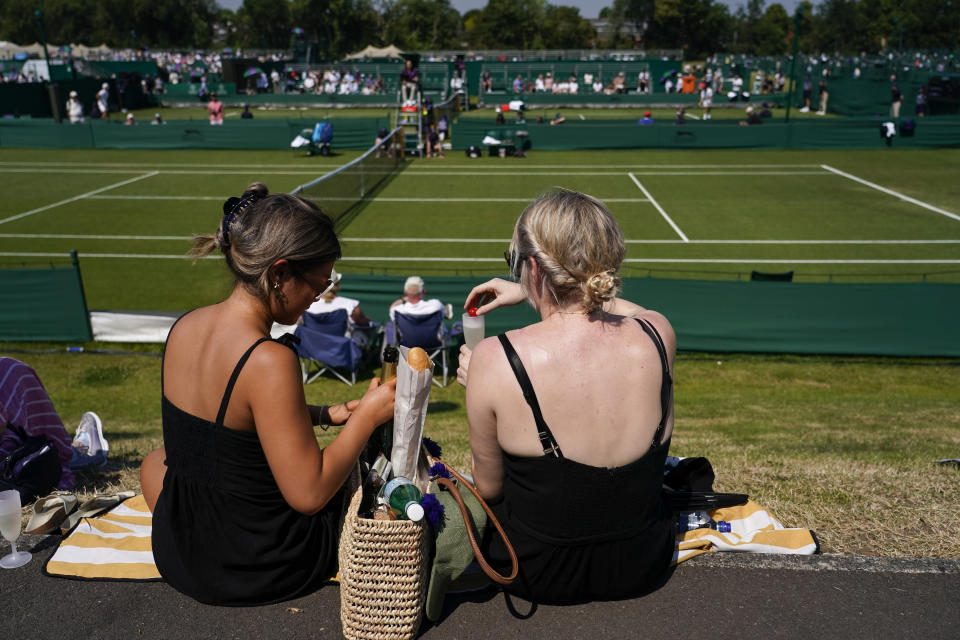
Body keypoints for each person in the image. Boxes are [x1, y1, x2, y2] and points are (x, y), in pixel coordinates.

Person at [139, 182, 396, 606]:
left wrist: (321, 413)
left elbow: (225, 423)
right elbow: (309, 494)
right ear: (278, 274)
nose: (317, 297)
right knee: (353, 487)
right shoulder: (269, 360)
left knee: (156, 462)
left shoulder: (184, 327)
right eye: (318, 283)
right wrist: (368, 415)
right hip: (261, 568)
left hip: (180, 555)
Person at [456, 190, 676, 604]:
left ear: (534, 267)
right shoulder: (658, 334)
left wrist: (483, 390)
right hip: (642, 561)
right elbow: (623, 310)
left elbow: (488, 488)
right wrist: (542, 288)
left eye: (517, 264)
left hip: (539, 572)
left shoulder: (495, 360)